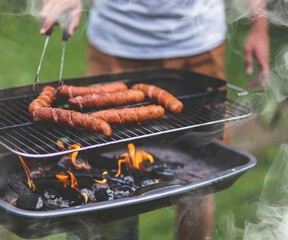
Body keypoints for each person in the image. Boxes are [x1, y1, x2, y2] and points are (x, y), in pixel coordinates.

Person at [40, 1, 270, 239]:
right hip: (116, 42)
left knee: (201, 178)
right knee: (101, 174)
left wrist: (259, 26)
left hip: (199, 43)